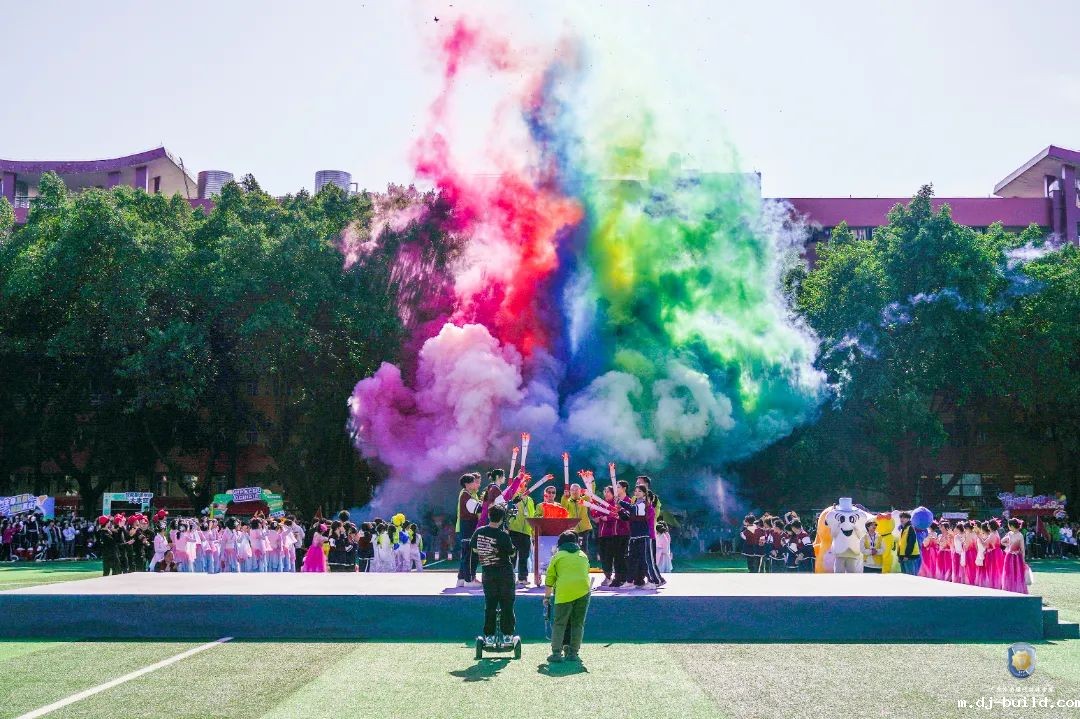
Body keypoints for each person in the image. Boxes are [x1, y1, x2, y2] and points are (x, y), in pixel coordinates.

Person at [470, 505, 517, 645]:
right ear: (502, 519)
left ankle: (489, 636)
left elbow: (474, 549)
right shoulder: (503, 535)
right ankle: (507, 635)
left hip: (488, 573)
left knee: (490, 604)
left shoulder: (479, 532)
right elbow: (512, 553)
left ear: (489, 516)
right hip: (505, 574)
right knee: (507, 604)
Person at [544, 530, 591, 663]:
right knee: (578, 624)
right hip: (583, 592)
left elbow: (550, 579)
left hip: (564, 592)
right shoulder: (583, 555)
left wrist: (547, 597)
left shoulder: (557, 556)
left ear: (560, 543)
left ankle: (556, 653)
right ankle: (573, 653)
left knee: (560, 623)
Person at [456, 473, 483, 587]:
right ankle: (469, 580)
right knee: (470, 554)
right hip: (468, 528)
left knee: (466, 555)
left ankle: (462, 578)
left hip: (466, 527)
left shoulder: (467, 495)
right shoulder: (466, 496)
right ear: (467, 484)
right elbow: (478, 509)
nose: (476, 484)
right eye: (473, 482)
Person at [507, 483, 535, 586]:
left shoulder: (530, 500)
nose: (523, 487)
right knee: (512, 556)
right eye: (521, 484)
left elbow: (532, 514)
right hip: (514, 530)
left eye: (525, 485)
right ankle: (510, 578)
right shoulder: (514, 496)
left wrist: (532, 530)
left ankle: (522, 578)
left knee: (524, 556)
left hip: (526, 532)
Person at [1001, 518, 1029, 594]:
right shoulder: (1009, 533)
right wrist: (1008, 545)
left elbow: (1023, 549)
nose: (1008, 527)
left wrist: (1023, 560)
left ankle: (1017, 589)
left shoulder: (1020, 535)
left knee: (1017, 573)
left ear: (1012, 526)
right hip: (1009, 556)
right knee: (1008, 572)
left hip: (1017, 557)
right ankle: (1009, 588)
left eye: (1008, 525)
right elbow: (1002, 541)